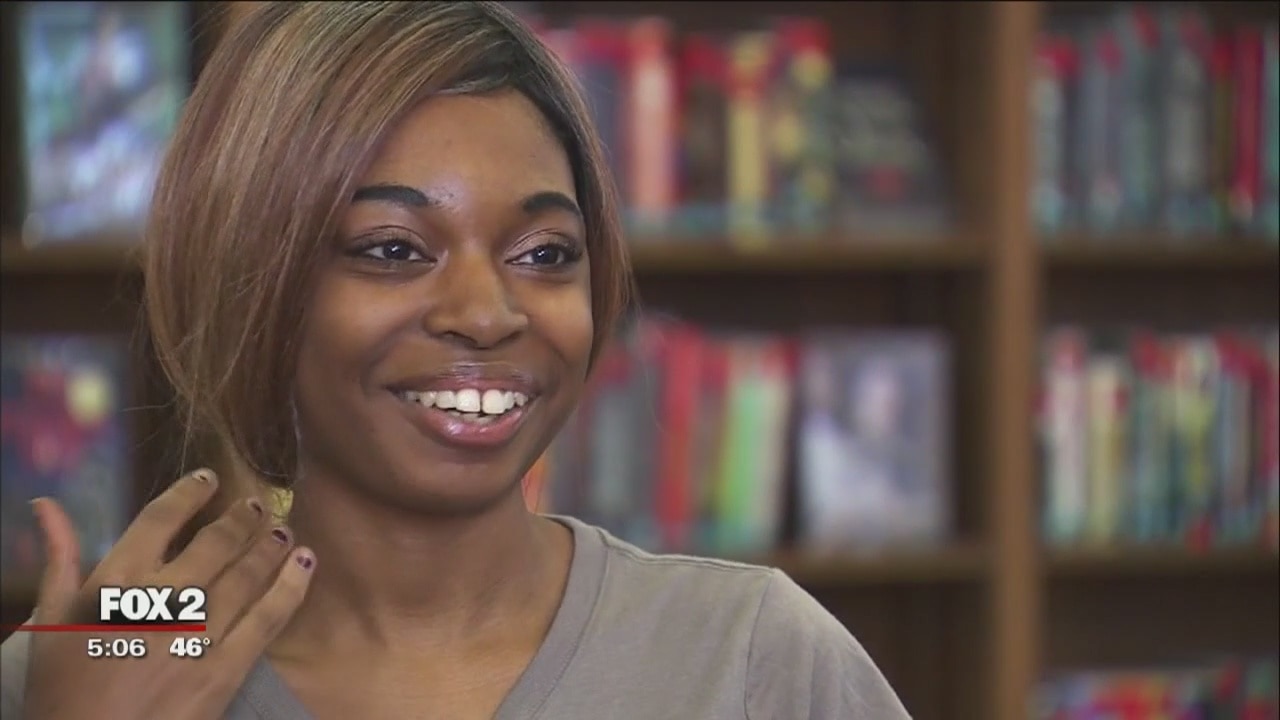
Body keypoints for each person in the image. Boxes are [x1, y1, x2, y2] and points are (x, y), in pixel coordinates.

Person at [1, 3, 912, 719]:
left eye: (545, 253)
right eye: (394, 249)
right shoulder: (98, 654)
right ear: (251, 278)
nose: (487, 314)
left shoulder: (752, 657)